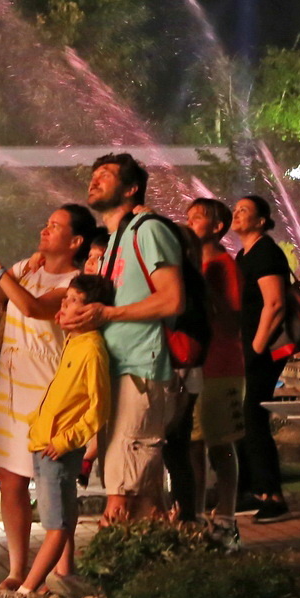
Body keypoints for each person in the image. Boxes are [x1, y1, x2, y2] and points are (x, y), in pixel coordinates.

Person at [0, 206, 91, 587]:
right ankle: (17, 570)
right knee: (10, 480)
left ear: (75, 241)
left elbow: (33, 308)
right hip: (12, 390)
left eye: (55, 226)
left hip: (50, 392)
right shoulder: (25, 269)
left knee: (56, 482)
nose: (44, 230)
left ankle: (63, 568)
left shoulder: (77, 282)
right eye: (46, 223)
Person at [59, 154, 186, 524]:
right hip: (118, 369)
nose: (95, 180)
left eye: (106, 175)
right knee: (144, 499)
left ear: (130, 189)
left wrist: (108, 314)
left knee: (122, 497)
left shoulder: (149, 230)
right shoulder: (116, 238)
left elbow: (172, 298)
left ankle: (116, 573)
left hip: (141, 369)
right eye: (94, 174)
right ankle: (162, 574)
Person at [20, 274, 115, 596]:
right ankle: (61, 577)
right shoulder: (75, 342)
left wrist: (64, 441)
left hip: (56, 449)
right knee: (63, 519)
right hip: (45, 443)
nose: (64, 305)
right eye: (66, 299)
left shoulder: (92, 350)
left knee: (55, 527)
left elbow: (98, 410)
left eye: (74, 300)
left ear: (93, 310)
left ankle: (27, 590)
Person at [176, 198, 246, 540]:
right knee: (192, 443)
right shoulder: (189, 265)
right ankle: (197, 513)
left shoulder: (223, 266)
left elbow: (233, 319)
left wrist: (203, 288)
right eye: (188, 216)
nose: (190, 222)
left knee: (221, 443)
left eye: (198, 217)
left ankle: (228, 516)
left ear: (218, 227)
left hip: (222, 365)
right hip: (196, 364)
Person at [230, 195, 294, 522]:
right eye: (236, 209)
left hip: (264, 349)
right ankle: (255, 490)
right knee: (248, 417)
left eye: (245, 211)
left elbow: (275, 303)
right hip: (251, 347)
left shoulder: (266, 252)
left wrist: (255, 346)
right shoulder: (245, 254)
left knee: (254, 417)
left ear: (261, 220)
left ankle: (272, 494)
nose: (236, 214)